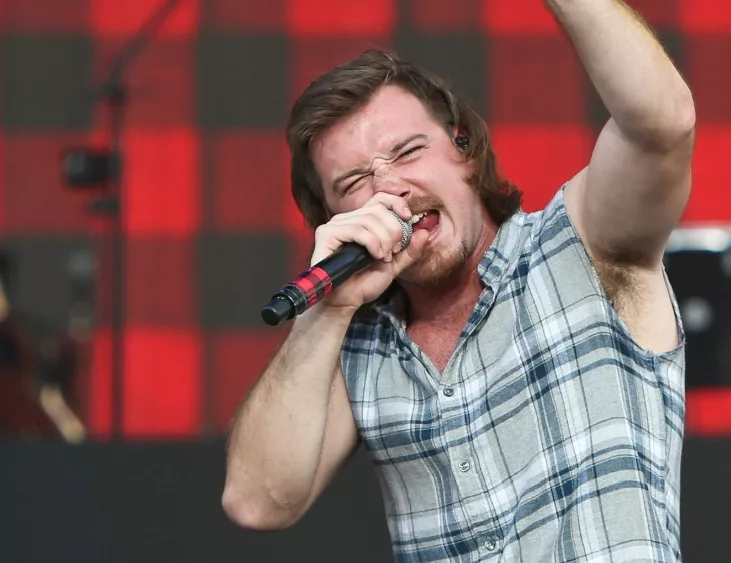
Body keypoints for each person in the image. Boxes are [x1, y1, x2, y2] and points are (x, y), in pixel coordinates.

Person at [222, 1, 695, 560]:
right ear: (331, 218)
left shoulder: (579, 243)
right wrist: (327, 309)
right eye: (353, 182)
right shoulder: (354, 343)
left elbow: (662, 125)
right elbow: (257, 503)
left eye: (408, 151)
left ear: (464, 149)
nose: (389, 189)